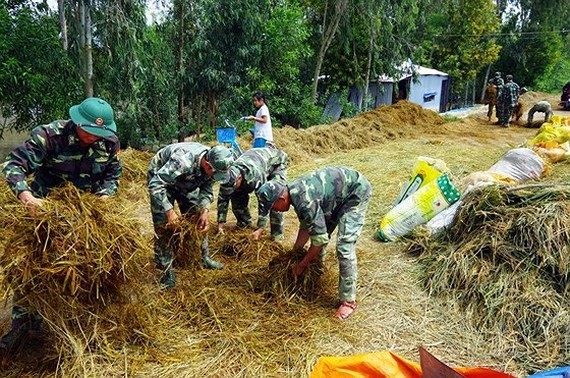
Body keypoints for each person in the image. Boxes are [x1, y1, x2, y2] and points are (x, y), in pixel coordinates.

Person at [0, 97, 122, 349]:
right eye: (90, 132)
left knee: (87, 268)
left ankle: (79, 327)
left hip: (86, 216)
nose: (95, 138)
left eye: (100, 133)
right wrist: (26, 196)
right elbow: (13, 165)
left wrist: (106, 194)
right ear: (77, 123)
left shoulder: (109, 142)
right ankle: (22, 327)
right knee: (33, 266)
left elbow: (113, 172)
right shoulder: (49, 136)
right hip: (44, 212)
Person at [257, 166, 372, 320]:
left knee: (344, 246)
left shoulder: (304, 199)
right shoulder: (294, 194)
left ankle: (348, 301)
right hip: (333, 200)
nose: (276, 211)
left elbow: (318, 241)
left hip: (354, 193)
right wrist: (294, 253)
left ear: (281, 199)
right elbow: (306, 226)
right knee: (321, 236)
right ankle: (317, 275)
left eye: (273, 207)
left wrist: (302, 264)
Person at [147, 142, 234, 289]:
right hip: (162, 180)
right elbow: (155, 184)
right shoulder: (182, 161)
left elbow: (207, 188)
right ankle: (165, 270)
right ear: (207, 165)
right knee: (163, 224)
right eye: (214, 173)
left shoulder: (216, 165)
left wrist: (205, 211)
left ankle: (203, 257)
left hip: (188, 182)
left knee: (196, 218)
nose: (215, 176)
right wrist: (169, 211)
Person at [217, 147, 288, 241]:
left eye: (233, 186)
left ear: (239, 178)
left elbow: (264, 200)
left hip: (276, 163)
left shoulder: (255, 175)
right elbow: (223, 197)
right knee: (236, 194)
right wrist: (220, 224)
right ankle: (244, 224)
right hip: (256, 160)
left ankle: (277, 235)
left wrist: (260, 228)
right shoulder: (227, 176)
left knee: (274, 196)